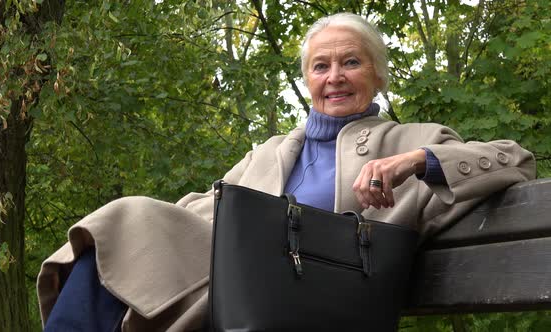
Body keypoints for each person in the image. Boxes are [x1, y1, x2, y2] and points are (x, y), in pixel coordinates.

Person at [37, 13, 536, 332]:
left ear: (377, 75)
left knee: (130, 230)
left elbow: (516, 160)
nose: (334, 76)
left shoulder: (407, 140)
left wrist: (414, 162)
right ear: (307, 80)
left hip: (316, 297)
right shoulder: (270, 152)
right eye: (321, 66)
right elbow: (207, 207)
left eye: (350, 62)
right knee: (122, 231)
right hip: (234, 289)